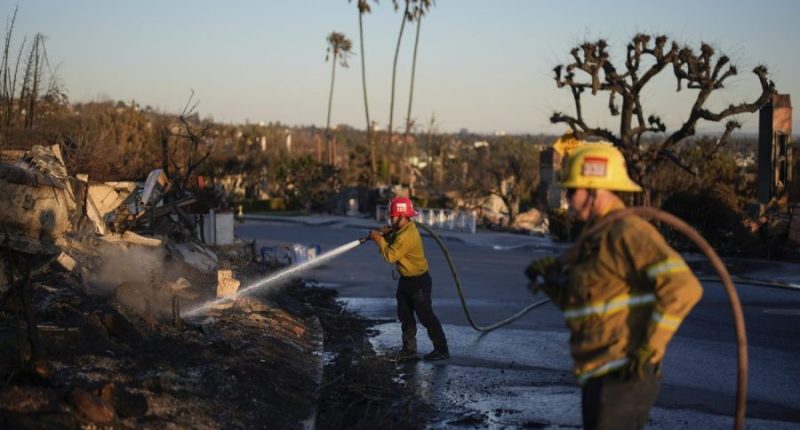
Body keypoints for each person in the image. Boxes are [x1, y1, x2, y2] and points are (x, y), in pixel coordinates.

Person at [526, 143, 703, 430]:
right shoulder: (594, 238)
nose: (568, 199)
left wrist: (650, 348)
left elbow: (684, 287)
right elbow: (590, 303)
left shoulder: (628, 231)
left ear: (595, 191)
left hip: (624, 373)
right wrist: (552, 283)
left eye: (573, 191)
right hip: (598, 372)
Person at [369, 197, 449, 361]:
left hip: (418, 282)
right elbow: (393, 245)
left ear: (401, 216)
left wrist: (379, 240)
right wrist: (387, 235)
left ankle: (441, 349)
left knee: (426, 316)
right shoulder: (401, 231)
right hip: (406, 281)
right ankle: (409, 350)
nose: (390, 219)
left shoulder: (408, 235)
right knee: (405, 316)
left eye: (392, 217)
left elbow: (391, 255)